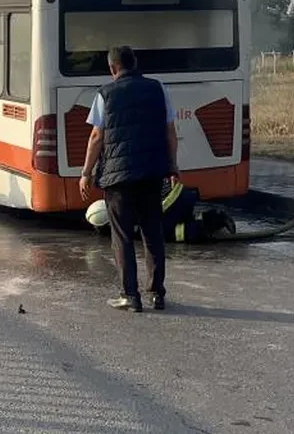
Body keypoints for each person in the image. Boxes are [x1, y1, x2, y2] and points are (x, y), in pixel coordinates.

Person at [79, 45, 178, 313]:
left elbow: (96, 137)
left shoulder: (105, 94)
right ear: (134, 64)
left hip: (118, 178)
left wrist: (86, 173)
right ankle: (157, 293)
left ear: (112, 69)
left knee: (122, 236)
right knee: (153, 233)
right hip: (151, 173)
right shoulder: (158, 89)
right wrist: (172, 165)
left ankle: (129, 296)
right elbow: (170, 132)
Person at [86, 180, 236, 244]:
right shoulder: (117, 199)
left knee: (164, 233)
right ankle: (209, 219)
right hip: (178, 195)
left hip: (174, 200)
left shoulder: (124, 213)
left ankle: (213, 222)